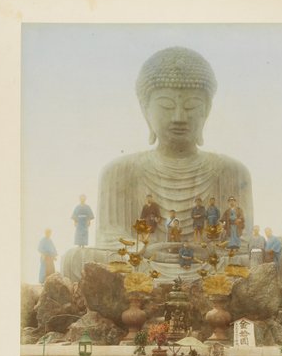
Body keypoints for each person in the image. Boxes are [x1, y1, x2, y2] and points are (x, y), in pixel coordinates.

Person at [96, 47, 253, 247]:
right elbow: (107, 241)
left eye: (191, 106)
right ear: (145, 111)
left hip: (209, 261)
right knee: (76, 259)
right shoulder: (117, 172)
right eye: (166, 106)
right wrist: (145, 252)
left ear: (207, 111)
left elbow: (244, 240)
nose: (179, 117)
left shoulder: (233, 172)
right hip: (145, 261)